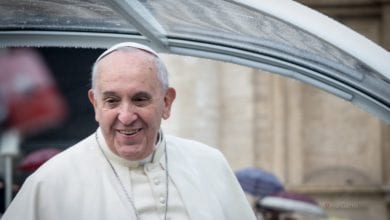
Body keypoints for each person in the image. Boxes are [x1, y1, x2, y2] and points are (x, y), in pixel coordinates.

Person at [2, 42, 256, 220]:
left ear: (166, 102)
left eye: (140, 99)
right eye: (112, 100)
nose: (125, 116)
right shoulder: (50, 183)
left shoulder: (209, 164)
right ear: (95, 104)